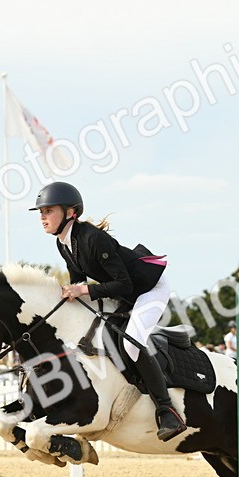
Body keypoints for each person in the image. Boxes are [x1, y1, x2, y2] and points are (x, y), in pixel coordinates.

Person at [31, 181, 186, 441]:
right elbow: (78, 281)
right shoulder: (63, 243)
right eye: (41, 212)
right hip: (123, 293)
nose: (42, 217)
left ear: (70, 212)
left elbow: (123, 284)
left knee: (131, 343)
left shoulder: (93, 238)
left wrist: (82, 290)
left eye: (48, 211)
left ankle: (167, 410)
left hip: (149, 289)